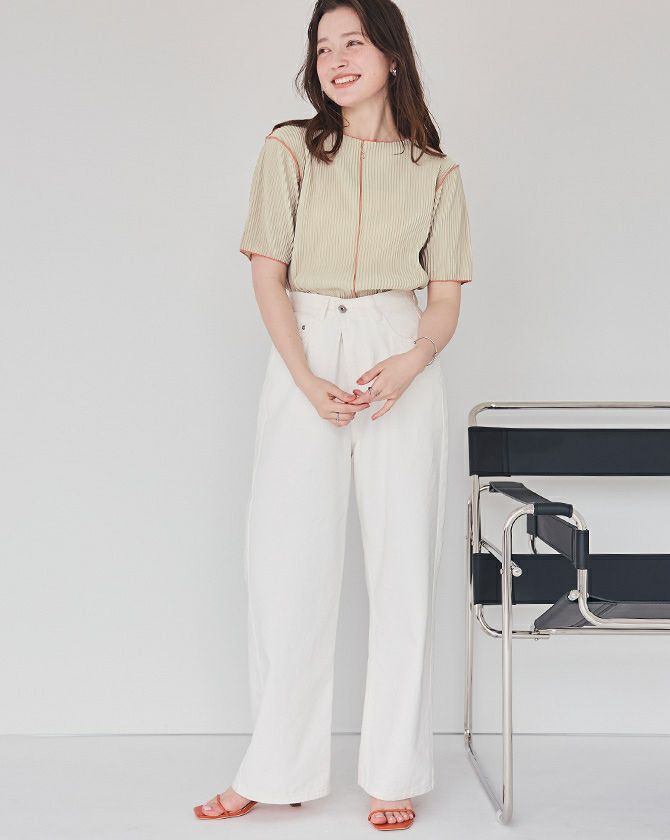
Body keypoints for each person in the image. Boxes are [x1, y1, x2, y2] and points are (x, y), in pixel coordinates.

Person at [194, 0, 472, 830]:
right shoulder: (289, 149)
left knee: (403, 567)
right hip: (305, 349)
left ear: (392, 56)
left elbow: (444, 297)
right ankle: (275, 765)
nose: (338, 59)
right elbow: (267, 275)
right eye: (324, 47)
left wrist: (414, 359)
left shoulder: (436, 171)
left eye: (354, 42)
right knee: (286, 564)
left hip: (399, 351)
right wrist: (306, 378)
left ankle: (393, 771)